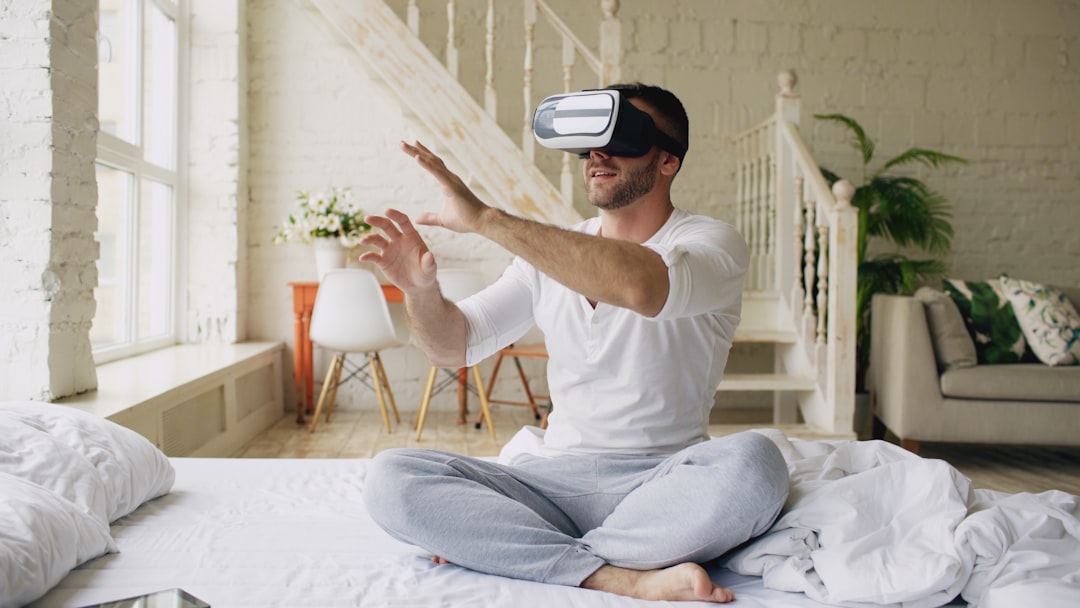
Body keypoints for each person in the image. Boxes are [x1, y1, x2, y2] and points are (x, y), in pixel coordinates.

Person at [359, 83, 789, 603]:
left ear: (669, 160)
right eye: (590, 142)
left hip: (663, 481)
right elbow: (454, 346)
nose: (598, 155)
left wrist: (486, 219)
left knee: (755, 467)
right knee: (391, 478)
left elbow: (642, 286)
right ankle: (617, 574)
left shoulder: (710, 243)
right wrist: (421, 291)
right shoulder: (545, 252)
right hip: (552, 482)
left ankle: (525, 551)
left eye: (622, 137)